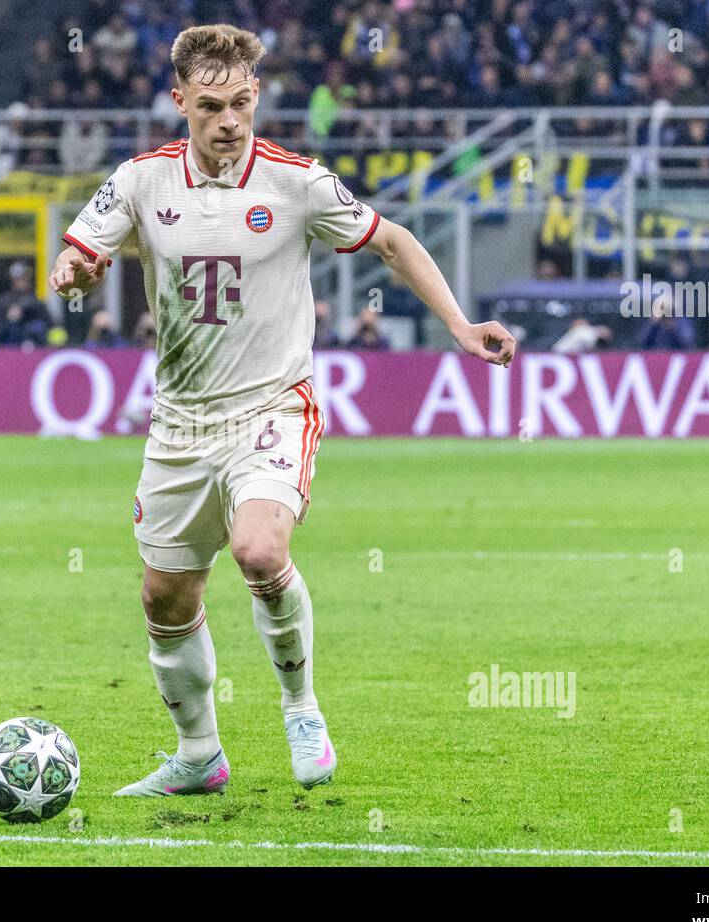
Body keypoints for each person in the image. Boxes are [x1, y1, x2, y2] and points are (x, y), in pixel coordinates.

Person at [49, 24, 514, 798]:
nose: (229, 121)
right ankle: (199, 755)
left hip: (272, 406)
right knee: (165, 596)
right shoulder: (139, 182)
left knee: (259, 552)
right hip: (180, 423)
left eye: (240, 102)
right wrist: (70, 273)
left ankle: (300, 707)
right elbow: (80, 255)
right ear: (180, 102)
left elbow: (393, 242)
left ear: (257, 94)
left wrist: (461, 327)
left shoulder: (297, 184)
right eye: (210, 106)